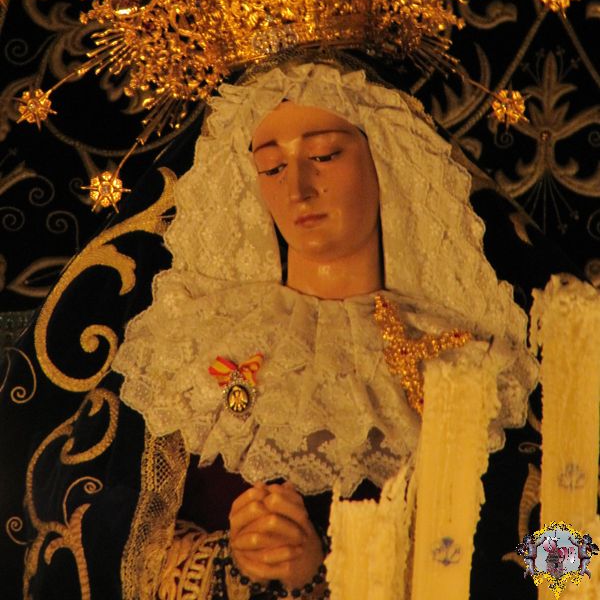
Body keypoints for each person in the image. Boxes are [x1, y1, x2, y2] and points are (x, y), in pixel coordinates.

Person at [111, 57, 538, 599]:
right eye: (272, 168)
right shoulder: (189, 344)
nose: (299, 189)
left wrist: (326, 573)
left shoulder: (471, 357)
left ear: (386, 157)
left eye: (324, 156)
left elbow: (570, 556)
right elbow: (109, 540)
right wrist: (233, 562)